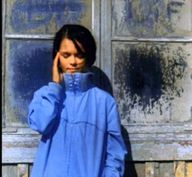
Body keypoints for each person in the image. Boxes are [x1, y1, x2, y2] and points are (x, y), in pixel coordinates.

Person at [28, 24, 127, 177]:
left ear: (88, 57)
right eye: (66, 55)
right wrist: (55, 88)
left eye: (79, 55)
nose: (73, 62)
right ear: (57, 56)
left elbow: (115, 155)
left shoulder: (105, 103)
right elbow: (40, 124)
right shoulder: (45, 95)